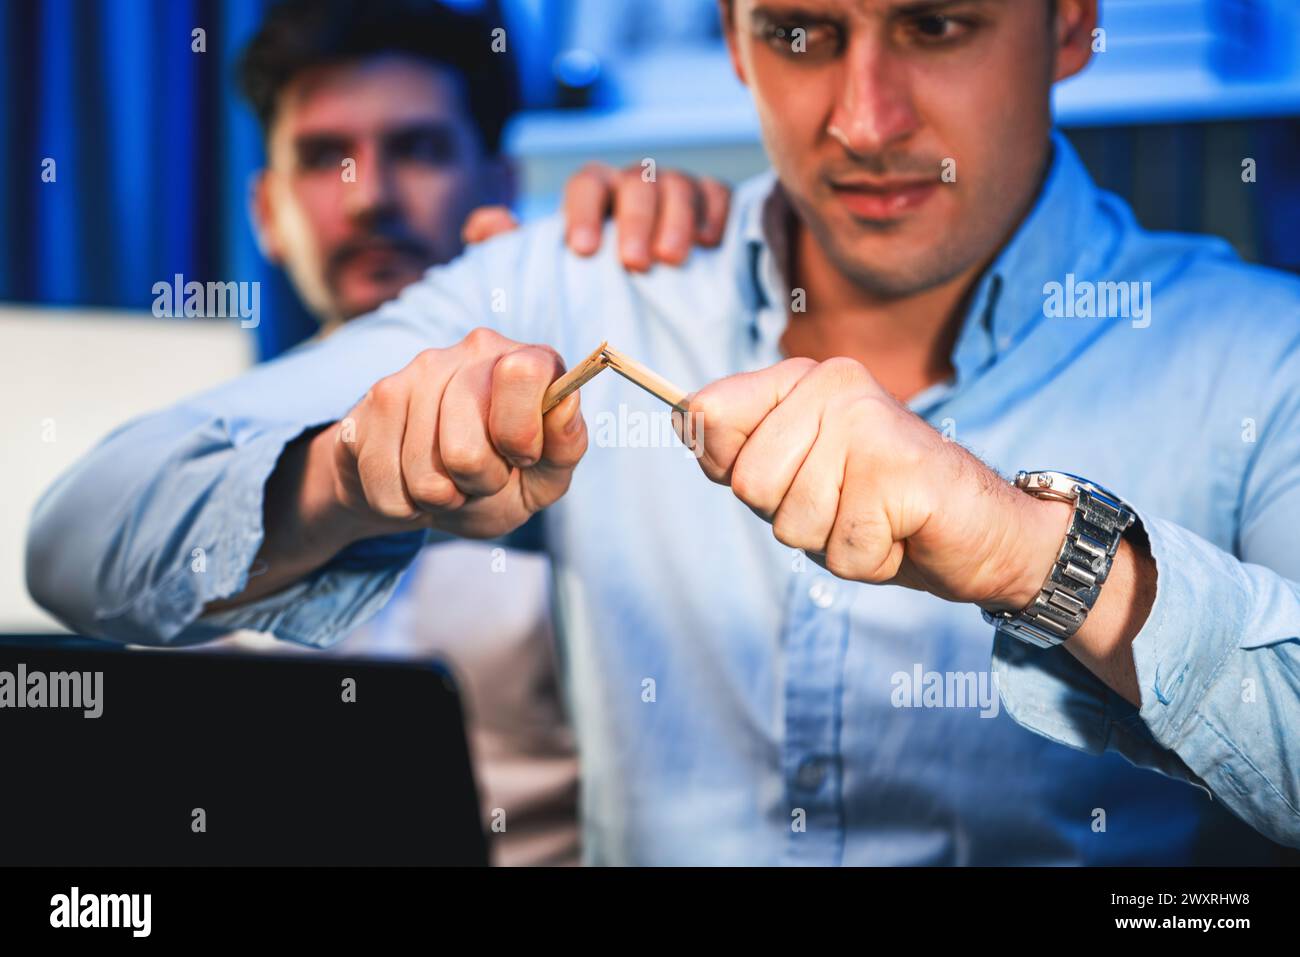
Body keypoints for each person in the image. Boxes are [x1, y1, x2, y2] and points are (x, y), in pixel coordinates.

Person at [28, 0, 1300, 863]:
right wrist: (348, 473)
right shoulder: (570, 286)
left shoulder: (1259, 353)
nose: (864, 120)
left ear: (1069, 22)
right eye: (799, 31)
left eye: (937, 22)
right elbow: (81, 537)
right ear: (737, 42)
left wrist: (1036, 556)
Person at [207, 0, 727, 866]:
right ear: (266, 210)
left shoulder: (611, 425)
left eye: (417, 148)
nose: (368, 196)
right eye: (324, 156)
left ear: (496, 181)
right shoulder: (217, 455)